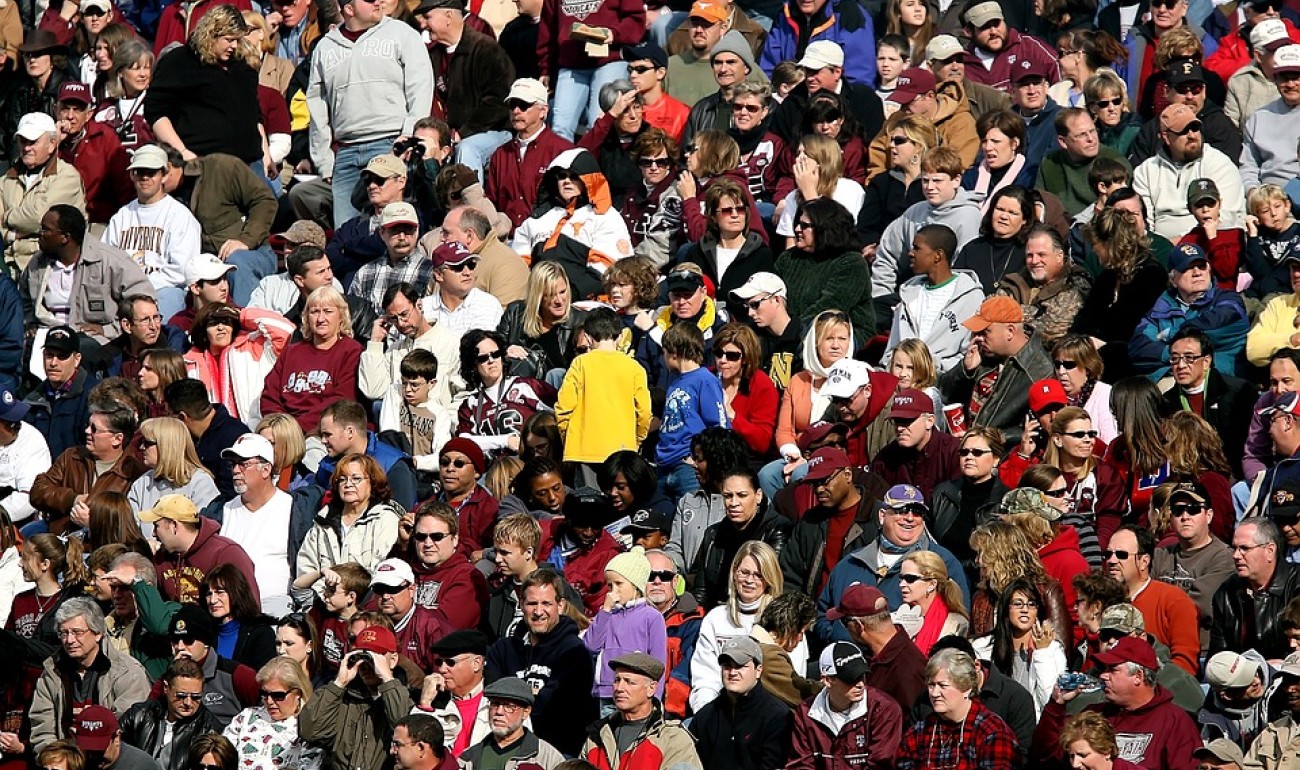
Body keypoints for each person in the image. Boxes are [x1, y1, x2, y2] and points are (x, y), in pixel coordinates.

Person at [305, 0, 432, 228]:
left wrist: (408, 137)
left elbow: (421, 88)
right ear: (349, 9)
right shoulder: (325, 47)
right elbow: (317, 104)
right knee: (346, 233)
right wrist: (323, 159)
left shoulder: (402, 34)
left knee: (390, 228)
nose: (377, 1)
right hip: (345, 152)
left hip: (390, 144)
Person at [1031, 636, 1201, 770]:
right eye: (1104, 669)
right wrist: (1057, 705)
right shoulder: (1093, 715)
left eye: (1113, 670)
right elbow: (1045, 757)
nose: (1104, 675)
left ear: (1138, 677)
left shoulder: (1174, 721)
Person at [485, 569, 599, 755]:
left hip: (559, 751)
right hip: (506, 745)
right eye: (532, 603)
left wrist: (513, 701)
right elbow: (492, 697)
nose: (538, 612)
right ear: (521, 605)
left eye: (546, 603)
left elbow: (556, 710)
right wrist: (532, 695)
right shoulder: (503, 649)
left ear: (560, 605)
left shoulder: (574, 652)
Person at [154, 143, 278, 308]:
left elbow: (265, 200)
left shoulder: (220, 167)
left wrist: (245, 241)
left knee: (236, 261)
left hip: (252, 254)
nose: (149, 182)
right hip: (197, 267)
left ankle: (245, 326)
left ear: (168, 167)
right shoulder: (155, 200)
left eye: (152, 174)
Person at [872, 146, 983, 322]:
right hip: (911, 291)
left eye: (937, 181)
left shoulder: (968, 216)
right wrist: (880, 294)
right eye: (925, 181)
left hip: (946, 301)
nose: (930, 187)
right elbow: (887, 255)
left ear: (956, 180)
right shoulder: (915, 212)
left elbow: (963, 271)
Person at [28, 598, 151, 752]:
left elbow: (126, 729)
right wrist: (58, 761)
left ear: (98, 633)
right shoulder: (52, 672)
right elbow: (42, 727)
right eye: (64, 633)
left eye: (77, 632)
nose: (69, 640)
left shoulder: (128, 673)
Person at [19, 206, 150, 347]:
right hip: (47, 334)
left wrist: (110, 329)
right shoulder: (37, 263)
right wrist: (30, 324)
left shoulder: (112, 261)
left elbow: (143, 301)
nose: (40, 234)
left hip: (92, 340)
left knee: (86, 349)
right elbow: (23, 300)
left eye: (45, 230)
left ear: (65, 238)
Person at [298, 625, 414, 770]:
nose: (365, 665)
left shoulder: (407, 696)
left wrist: (387, 679)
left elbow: (405, 728)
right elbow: (310, 732)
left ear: (393, 659)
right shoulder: (342, 698)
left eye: (373, 657)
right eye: (360, 658)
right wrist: (339, 683)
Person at [555, 308, 652, 478]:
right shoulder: (634, 367)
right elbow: (644, 413)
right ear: (620, 336)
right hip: (622, 452)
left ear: (587, 337)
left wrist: (569, 438)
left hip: (583, 450)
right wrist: (636, 440)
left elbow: (563, 408)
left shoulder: (580, 363)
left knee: (589, 502)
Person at [1129, 243, 1248, 381]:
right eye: (1188, 268)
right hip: (1171, 380)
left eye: (1201, 266)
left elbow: (1209, 328)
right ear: (1173, 279)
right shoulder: (1160, 308)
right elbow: (1138, 348)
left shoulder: (1229, 301)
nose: (1197, 272)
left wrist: (1170, 335)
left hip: (1220, 380)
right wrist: (1175, 357)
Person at [29, 399, 147, 536]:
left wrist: (93, 524)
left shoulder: (134, 474)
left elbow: (130, 528)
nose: (87, 431)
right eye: (88, 425)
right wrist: (72, 499)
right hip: (61, 544)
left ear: (117, 439)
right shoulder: (72, 457)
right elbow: (38, 491)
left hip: (102, 551)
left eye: (94, 429)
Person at [1132, 105, 1246, 242]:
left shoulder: (1219, 163)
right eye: (1184, 131)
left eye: (1195, 128)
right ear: (1166, 137)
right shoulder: (1146, 171)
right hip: (1161, 248)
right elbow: (1145, 222)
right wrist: (1162, 246)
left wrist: (1184, 240)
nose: (1192, 135)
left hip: (1208, 242)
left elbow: (1228, 217)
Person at [259, 286, 364, 435]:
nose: (321, 319)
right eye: (314, 312)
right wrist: (281, 426)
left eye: (328, 311)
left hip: (324, 431)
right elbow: (270, 396)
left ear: (341, 316)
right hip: (282, 431)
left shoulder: (352, 351)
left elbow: (341, 400)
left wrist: (297, 429)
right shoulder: (291, 351)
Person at [883, 223, 984, 374]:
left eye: (917, 248)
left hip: (942, 386)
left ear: (938, 255)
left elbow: (967, 354)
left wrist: (929, 368)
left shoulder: (971, 297)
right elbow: (891, 351)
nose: (910, 253)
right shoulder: (908, 294)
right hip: (901, 383)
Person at [1103, 524, 1200, 675]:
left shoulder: (1173, 600)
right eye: (1107, 554)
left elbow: (1184, 664)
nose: (1112, 560)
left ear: (1144, 561)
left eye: (1121, 554)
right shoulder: (1103, 601)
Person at [1158, 328, 1255, 478]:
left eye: (1189, 358)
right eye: (1175, 358)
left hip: (1233, 473)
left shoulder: (1238, 392)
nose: (1181, 365)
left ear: (1206, 361)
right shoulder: (1167, 401)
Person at [773, 198, 874, 341]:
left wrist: (789, 331)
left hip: (840, 336)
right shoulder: (788, 258)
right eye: (797, 224)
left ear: (825, 229)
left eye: (804, 225)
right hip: (790, 332)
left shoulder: (852, 263)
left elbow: (828, 308)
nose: (797, 229)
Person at [580, 652, 702, 770]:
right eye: (617, 680)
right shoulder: (598, 734)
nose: (619, 688)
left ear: (651, 689)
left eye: (629, 682)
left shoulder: (672, 738)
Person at [484, 78, 577, 230]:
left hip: (549, 239)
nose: (516, 111)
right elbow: (491, 202)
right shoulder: (500, 155)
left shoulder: (563, 151)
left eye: (524, 105)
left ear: (543, 111)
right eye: (512, 105)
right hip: (508, 240)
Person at [2, 116, 87, 278]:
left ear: (52, 145)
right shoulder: (6, 179)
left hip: (47, 266)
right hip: (8, 265)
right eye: (22, 141)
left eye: (32, 142)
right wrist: (16, 233)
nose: (26, 148)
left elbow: (41, 217)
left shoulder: (67, 176)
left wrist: (7, 217)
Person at [1211, 517, 1300, 659]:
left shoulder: (1296, 586)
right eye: (1234, 548)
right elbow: (1217, 656)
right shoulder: (1227, 593)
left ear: (1269, 551)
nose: (1236, 555)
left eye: (1244, 548)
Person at [118, 658, 223, 768]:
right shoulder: (139, 715)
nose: (188, 702)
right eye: (181, 696)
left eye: (196, 697)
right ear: (166, 688)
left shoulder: (211, 730)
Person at [54, 81, 132, 228]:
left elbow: (124, 184)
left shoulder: (104, 137)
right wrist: (54, 144)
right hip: (55, 222)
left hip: (97, 219)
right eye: (65, 109)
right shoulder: (45, 137)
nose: (70, 116)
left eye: (77, 110)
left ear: (89, 114)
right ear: (55, 110)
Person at [21, 326, 98, 462]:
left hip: (78, 476)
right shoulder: (33, 399)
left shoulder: (94, 396)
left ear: (77, 359)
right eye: (49, 355)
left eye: (62, 357)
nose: (54, 363)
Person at [757, 0, 877, 86]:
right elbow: (768, 68)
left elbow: (859, 77)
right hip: (788, 98)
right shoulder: (785, 13)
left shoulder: (850, 15)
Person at [459, 677, 564, 769]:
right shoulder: (469, 757)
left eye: (509, 706)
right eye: (495, 704)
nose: (499, 712)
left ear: (526, 712)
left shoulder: (547, 757)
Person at [956, 1, 1058, 90]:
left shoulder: (1029, 47)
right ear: (968, 32)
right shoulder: (962, 64)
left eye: (996, 23)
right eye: (984, 27)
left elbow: (1060, 79)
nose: (993, 31)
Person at [424, 241, 506, 336]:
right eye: (458, 267)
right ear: (439, 274)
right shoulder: (424, 308)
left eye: (471, 265)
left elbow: (479, 347)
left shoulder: (486, 303)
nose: (467, 272)